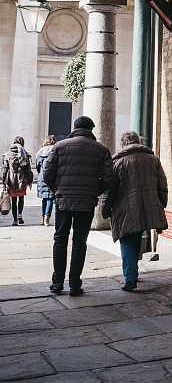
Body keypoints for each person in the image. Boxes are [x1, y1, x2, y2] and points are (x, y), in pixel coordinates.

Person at [44, 116, 112, 296]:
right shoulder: (102, 150)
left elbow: (47, 174)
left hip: (63, 200)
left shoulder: (59, 146)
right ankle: (74, 284)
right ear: (91, 130)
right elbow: (107, 179)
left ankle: (57, 282)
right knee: (80, 242)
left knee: (60, 239)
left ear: (74, 127)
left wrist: (58, 190)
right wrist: (93, 192)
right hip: (86, 202)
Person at [102, 130, 168, 291]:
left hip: (124, 208)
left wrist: (105, 209)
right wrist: (161, 203)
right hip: (147, 205)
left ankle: (130, 277)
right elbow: (162, 184)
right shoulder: (153, 159)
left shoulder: (117, 162)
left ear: (123, 144)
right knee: (137, 236)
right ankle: (133, 272)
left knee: (126, 239)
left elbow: (110, 190)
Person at [2, 136, 33, 226]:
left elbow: (5, 169)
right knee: (21, 198)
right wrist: (30, 182)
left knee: (14, 200)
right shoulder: (25, 154)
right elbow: (28, 169)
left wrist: (4, 182)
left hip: (11, 180)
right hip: (23, 180)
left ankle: (15, 220)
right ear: (22, 143)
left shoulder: (7, 154)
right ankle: (20, 214)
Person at [35, 135, 56, 226]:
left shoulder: (40, 152)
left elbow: (37, 166)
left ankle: (43, 217)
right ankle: (47, 219)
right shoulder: (55, 151)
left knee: (44, 199)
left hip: (42, 178)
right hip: (52, 178)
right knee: (50, 199)